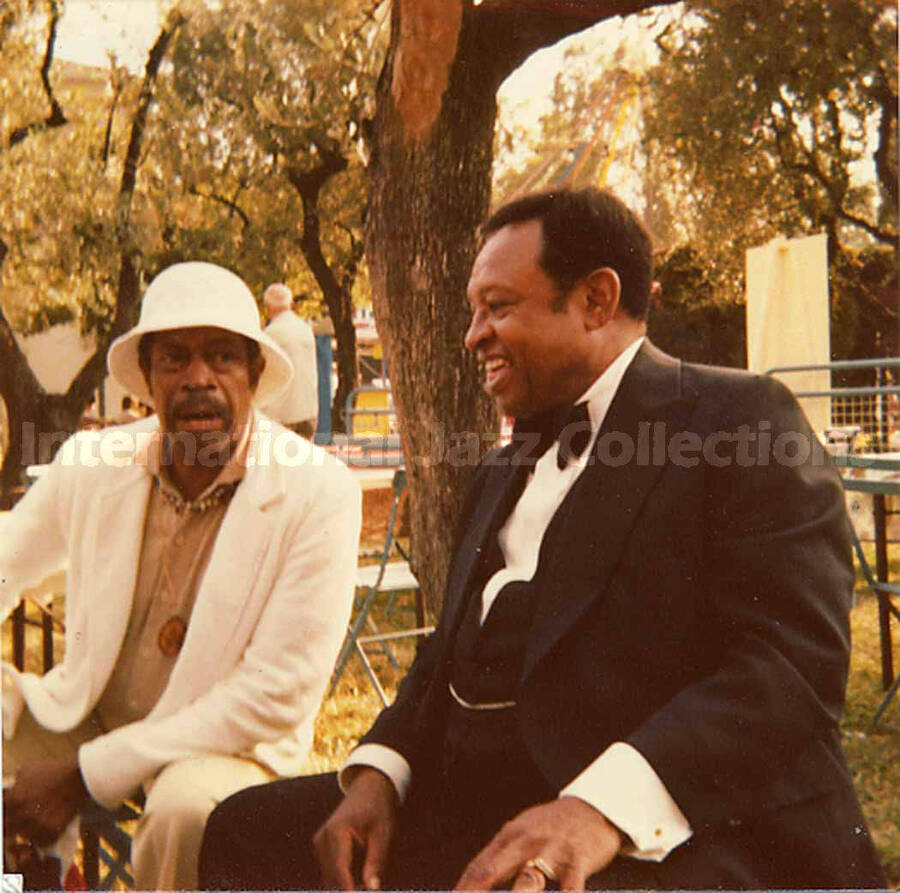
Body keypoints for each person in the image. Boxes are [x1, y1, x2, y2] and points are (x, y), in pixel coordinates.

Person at [199, 189, 886, 891]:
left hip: (685, 830)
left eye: (497, 307)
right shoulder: (501, 470)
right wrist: (382, 771)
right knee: (248, 831)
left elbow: (790, 664)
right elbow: (447, 653)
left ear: (595, 300)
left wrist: (598, 809)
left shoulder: (740, 421)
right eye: (474, 312)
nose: (472, 335)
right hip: (491, 808)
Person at [1, 261, 361, 890]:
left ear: (254, 373)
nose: (199, 379)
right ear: (146, 377)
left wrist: (84, 774)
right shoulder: (95, 462)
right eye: (175, 358)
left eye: (222, 357)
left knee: (188, 816)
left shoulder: (318, 490)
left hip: (223, 745)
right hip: (91, 714)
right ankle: (33, 878)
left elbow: (273, 694)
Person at [260, 282, 319, 438]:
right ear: (291, 304)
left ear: (268, 308)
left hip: (281, 417)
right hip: (308, 411)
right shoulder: (306, 330)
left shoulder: (270, 335)